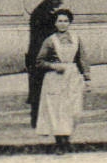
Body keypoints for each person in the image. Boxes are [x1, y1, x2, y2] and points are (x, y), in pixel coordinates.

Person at [35, 8, 91, 152]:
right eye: (60, 21)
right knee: (57, 111)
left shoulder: (76, 39)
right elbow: (39, 62)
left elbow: (82, 59)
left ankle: (68, 139)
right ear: (55, 23)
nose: (63, 24)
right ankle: (60, 143)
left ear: (70, 23)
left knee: (73, 110)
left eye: (66, 21)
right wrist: (54, 66)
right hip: (55, 79)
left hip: (72, 77)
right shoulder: (50, 41)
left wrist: (87, 77)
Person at [26, 0, 66, 128]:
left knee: (41, 87)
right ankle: (36, 119)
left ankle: (39, 118)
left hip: (37, 55)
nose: (61, 2)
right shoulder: (43, 13)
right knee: (39, 88)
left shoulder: (45, 11)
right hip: (39, 56)